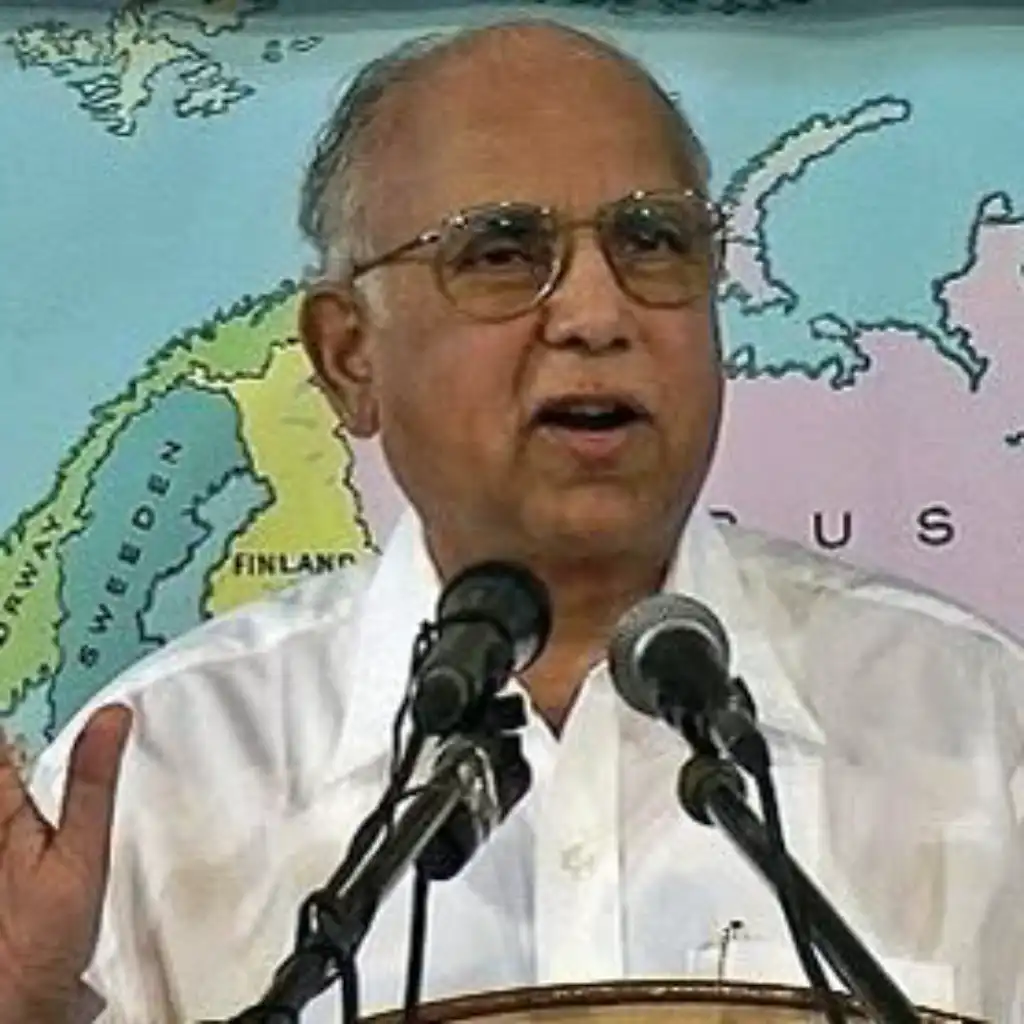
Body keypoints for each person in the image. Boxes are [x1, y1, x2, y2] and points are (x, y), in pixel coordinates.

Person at [2, 17, 1023, 1024]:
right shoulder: (162, 779)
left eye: (652, 242)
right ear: (349, 356)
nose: (596, 315)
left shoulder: (974, 728)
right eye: (499, 252)